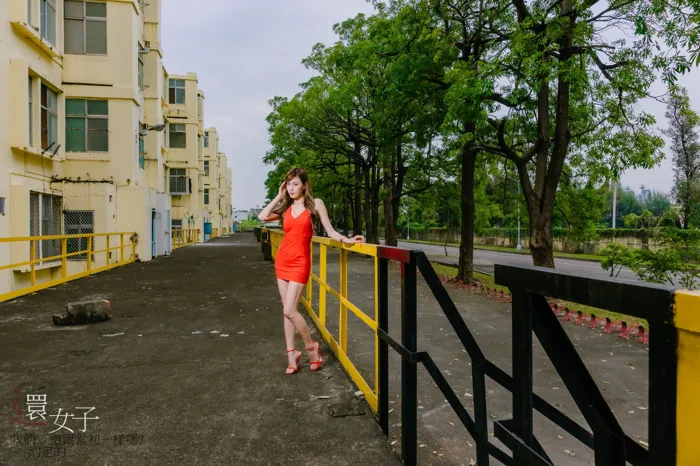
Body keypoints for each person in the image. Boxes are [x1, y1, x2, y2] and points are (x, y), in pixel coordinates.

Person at [258, 168, 366, 375]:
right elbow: (262, 216)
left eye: (295, 184)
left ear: (305, 185)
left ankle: (310, 347)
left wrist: (347, 240)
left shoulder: (315, 204)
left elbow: (331, 230)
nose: (291, 188)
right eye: (288, 184)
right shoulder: (285, 207)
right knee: (286, 312)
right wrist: (278, 196)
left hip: (300, 262)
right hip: (282, 260)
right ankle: (291, 354)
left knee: (289, 310)